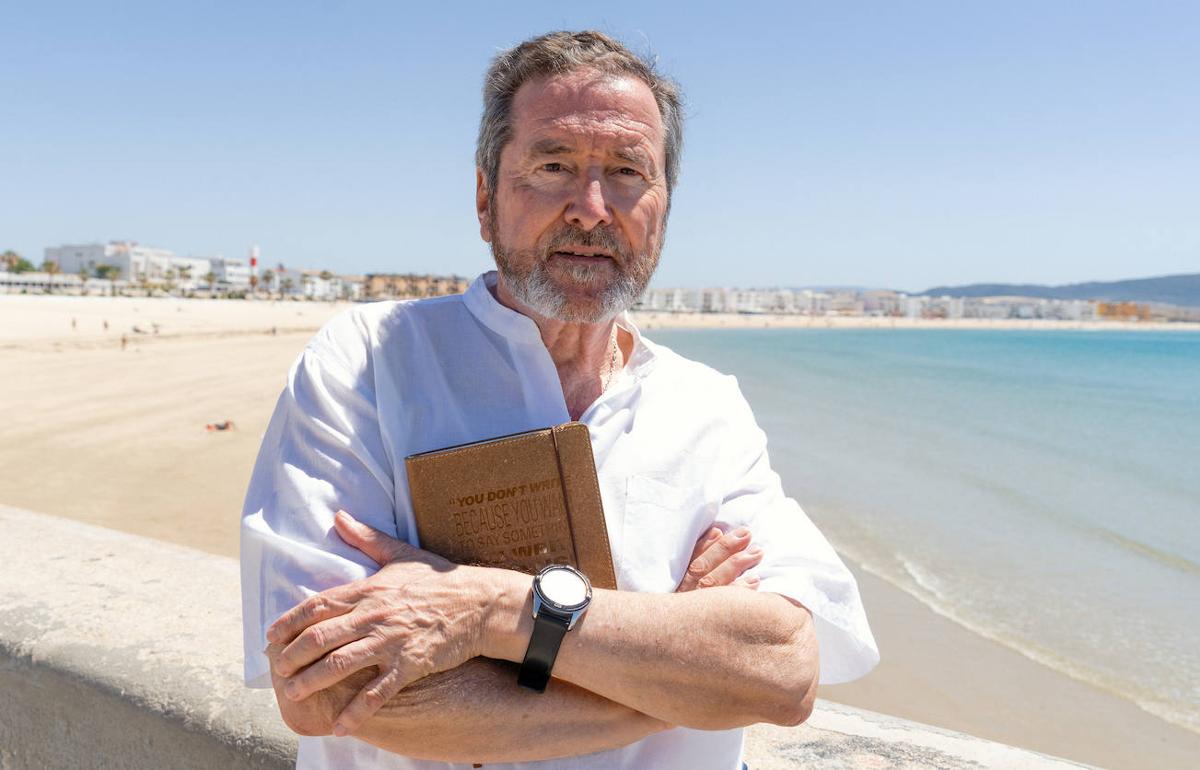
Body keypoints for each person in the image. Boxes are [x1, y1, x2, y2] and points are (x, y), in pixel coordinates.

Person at [240, 30, 878, 770]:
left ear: (664, 208)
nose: (591, 208)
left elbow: (783, 670)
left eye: (628, 171)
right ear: (485, 199)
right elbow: (328, 690)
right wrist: (679, 667)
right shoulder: (369, 361)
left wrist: (486, 608)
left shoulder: (709, 407)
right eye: (553, 166)